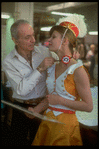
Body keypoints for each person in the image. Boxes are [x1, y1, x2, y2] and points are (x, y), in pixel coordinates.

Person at [28, 14, 93, 146]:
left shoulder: (78, 70)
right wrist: (36, 110)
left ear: (64, 41)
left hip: (66, 127)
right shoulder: (51, 68)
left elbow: (88, 106)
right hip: (47, 123)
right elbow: (50, 98)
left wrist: (60, 101)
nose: (49, 40)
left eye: (53, 37)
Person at [2, 20, 55, 146]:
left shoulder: (44, 52)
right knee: (18, 142)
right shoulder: (8, 61)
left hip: (43, 107)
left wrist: (72, 56)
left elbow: (61, 62)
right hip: (21, 108)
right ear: (15, 40)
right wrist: (40, 69)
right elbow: (21, 90)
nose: (33, 40)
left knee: (42, 142)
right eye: (27, 37)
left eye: (33, 35)